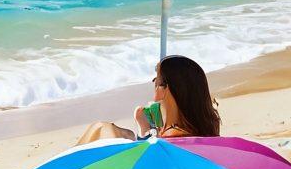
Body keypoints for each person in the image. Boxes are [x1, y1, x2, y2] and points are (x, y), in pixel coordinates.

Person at [77, 54, 221, 144]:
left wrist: (147, 133)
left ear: (164, 90)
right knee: (123, 134)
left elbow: (150, 163)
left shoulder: (171, 137)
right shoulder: (204, 127)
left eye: (156, 82)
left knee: (101, 128)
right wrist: (148, 130)